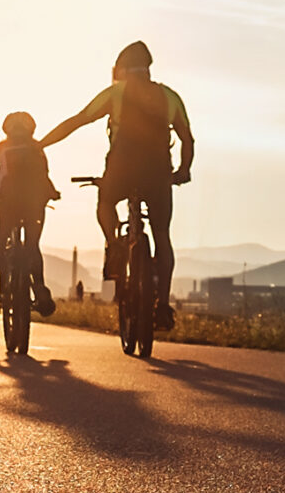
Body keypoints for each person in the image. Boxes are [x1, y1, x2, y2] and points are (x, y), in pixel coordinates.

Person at [38, 40, 193, 330]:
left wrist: (40, 144)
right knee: (162, 234)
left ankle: (114, 246)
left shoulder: (116, 92)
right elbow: (187, 139)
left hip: (122, 168)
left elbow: (77, 121)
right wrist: (183, 170)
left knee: (107, 202)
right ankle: (162, 306)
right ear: (148, 68)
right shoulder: (170, 96)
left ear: (121, 69)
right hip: (159, 172)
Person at [0, 111, 59, 315]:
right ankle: (40, 288)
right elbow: (44, 175)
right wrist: (52, 193)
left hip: (8, 199)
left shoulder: (1, 146)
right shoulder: (37, 147)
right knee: (33, 244)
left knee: (2, 233)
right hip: (35, 201)